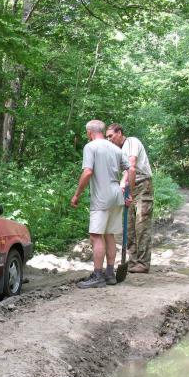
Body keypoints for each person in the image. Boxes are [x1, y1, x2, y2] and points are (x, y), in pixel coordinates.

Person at [71, 119, 127, 288]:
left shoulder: (91, 147)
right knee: (109, 235)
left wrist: (77, 194)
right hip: (117, 195)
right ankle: (110, 274)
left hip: (102, 197)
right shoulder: (115, 148)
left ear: (89, 132)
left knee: (96, 236)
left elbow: (88, 172)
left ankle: (97, 275)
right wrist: (127, 188)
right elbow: (130, 168)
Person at [106, 123, 153, 273]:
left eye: (111, 136)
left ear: (119, 132)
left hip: (142, 185)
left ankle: (143, 263)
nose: (109, 139)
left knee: (141, 224)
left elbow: (131, 165)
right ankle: (132, 262)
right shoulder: (117, 150)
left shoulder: (131, 142)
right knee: (129, 226)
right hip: (128, 187)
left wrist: (124, 185)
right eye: (107, 137)